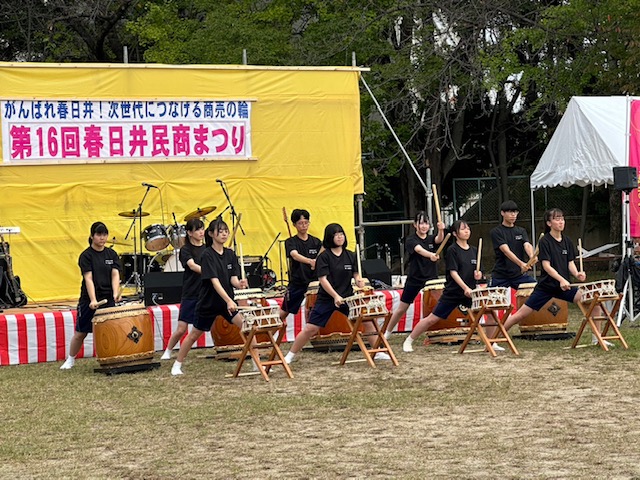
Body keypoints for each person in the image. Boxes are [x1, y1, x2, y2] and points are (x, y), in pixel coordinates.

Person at [284, 223, 391, 364]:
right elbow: (323, 279)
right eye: (336, 234)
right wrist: (335, 296)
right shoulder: (324, 257)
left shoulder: (350, 255)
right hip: (327, 298)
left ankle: (378, 351)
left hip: (347, 297)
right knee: (311, 328)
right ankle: (290, 355)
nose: (340, 237)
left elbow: (356, 274)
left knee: (367, 321)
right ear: (330, 237)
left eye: (341, 233)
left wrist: (359, 280)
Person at [502, 208, 609, 345]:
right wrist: (561, 279)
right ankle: (495, 338)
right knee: (521, 315)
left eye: (562, 219)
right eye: (557, 219)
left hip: (564, 287)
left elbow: (570, 263)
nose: (561, 222)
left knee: (594, 303)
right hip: (547, 286)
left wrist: (577, 274)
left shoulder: (567, 241)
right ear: (549, 223)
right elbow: (546, 266)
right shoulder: (545, 241)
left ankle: (597, 339)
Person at [171, 218, 249, 376]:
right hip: (208, 302)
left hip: (227, 302)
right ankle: (177, 364)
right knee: (194, 334)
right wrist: (229, 300)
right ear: (212, 234)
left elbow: (231, 278)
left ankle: (256, 362)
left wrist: (239, 284)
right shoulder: (207, 255)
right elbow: (214, 282)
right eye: (220, 231)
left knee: (246, 328)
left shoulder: (230, 254)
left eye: (226, 231)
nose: (224, 234)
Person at [402, 220, 482, 352]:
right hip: (454, 291)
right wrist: (465, 288)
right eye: (463, 229)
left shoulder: (474, 250)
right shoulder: (452, 250)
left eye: (468, 228)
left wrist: (479, 275)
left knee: (487, 312)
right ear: (455, 234)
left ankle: (492, 340)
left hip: (470, 291)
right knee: (432, 319)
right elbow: (453, 272)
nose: (467, 231)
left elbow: (478, 272)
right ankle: (409, 340)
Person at [60, 222, 121, 370]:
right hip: (89, 299)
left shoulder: (111, 254)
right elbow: (88, 278)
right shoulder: (86, 256)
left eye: (104, 235)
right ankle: (70, 359)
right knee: (81, 333)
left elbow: (115, 274)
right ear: (92, 236)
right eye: (99, 235)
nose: (102, 238)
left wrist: (115, 292)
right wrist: (93, 300)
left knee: (110, 330)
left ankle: (111, 358)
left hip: (108, 298)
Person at [384, 211, 446, 338]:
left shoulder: (430, 239)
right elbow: (418, 249)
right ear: (415, 225)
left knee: (435, 305)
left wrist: (441, 230)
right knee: (402, 308)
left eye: (426, 223)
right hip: (415, 278)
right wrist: (431, 255)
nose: (424, 226)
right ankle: (387, 332)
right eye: (421, 223)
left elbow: (439, 239)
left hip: (431, 279)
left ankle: (434, 333)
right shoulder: (411, 239)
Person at [487, 200, 537, 350]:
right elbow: (506, 250)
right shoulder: (496, 232)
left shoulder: (520, 231)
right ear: (503, 213)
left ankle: (512, 324)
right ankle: (491, 340)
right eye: (509, 212)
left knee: (538, 290)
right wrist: (521, 263)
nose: (513, 215)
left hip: (518, 276)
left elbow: (526, 245)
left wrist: (532, 256)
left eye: (515, 212)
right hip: (501, 275)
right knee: (491, 306)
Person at [161, 218, 206, 360]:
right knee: (182, 329)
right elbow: (192, 266)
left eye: (202, 229)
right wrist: (209, 271)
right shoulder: (185, 250)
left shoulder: (207, 249)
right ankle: (168, 350)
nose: (201, 232)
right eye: (197, 229)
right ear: (189, 233)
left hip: (205, 292)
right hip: (191, 292)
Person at [279, 209, 322, 325]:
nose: (303, 225)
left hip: (314, 283)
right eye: (300, 223)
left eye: (306, 222)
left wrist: (316, 262)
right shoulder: (291, 241)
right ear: (294, 225)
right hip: (298, 282)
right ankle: (268, 334)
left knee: (313, 311)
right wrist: (310, 261)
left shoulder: (316, 242)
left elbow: (323, 256)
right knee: (284, 311)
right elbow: (294, 255)